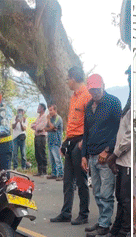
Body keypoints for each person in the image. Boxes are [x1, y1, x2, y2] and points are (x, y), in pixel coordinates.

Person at [81, 73, 122, 237]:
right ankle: (102, 221)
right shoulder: (89, 105)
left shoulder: (113, 103)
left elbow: (119, 129)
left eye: (97, 89)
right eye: (92, 90)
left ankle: (105, 225)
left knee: (106, 193)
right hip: (91, 154)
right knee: (97, 192)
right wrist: (83, 155)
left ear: (103, 85)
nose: (95, 92)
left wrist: (108, 150)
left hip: (105, 156)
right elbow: (86, 131)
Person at [51, 65, 91, 224]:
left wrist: (84, 142)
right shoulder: (73, 97)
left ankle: (84, 214)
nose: (67, 82)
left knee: (81, 180)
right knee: (67, 180)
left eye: (68, 79)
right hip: (70, 140)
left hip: (81, 141)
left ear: (73, 79)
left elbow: (90, 122)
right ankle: (66, 212)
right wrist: (65, 142)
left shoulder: (87, 96)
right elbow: (72, 122)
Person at [99, 72, 132, 237]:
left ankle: (125, 235)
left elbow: (130, 137)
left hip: (127, 161)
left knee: (126, 200)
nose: (129, 81)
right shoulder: (128, 102)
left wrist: (114, 154)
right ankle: (117, 229)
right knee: (120, 197)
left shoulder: (132, 106)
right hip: (121, 160)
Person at [45, 104, 64, 180]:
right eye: (49, 110)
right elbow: (46, 128)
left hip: (56, 141)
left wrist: (49, 121)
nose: (50, 112)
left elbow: (53, 127)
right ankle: (54, 173)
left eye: (51, 110)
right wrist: (51, 128)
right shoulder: (51, 118)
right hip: (50, 141)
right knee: (51, 159)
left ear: (55, 110)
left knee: (57, 159)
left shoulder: (58, 118)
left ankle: (61, 174)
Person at [30, 103, 48, 176]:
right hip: (37, 136)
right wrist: (36, 127)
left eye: (39, 107)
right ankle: (39, 170)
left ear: (43, 108)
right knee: (37, 153)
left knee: (41, 153)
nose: (37, 108)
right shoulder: (38, 117)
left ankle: (44, 170)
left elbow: (40, 127)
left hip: (42, 137)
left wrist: (36, 127)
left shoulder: (45, 117)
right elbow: (32, 125)